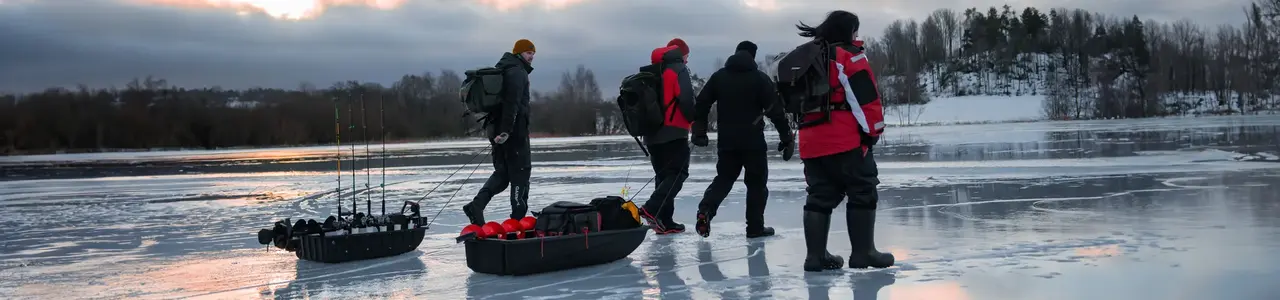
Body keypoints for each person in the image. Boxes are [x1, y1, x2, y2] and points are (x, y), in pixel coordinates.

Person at [792, 11, 894, 271]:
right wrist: (872, 134)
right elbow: (865, 99)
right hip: (844, 140)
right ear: (849, 31)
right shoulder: (847, 56)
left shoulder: (807, 58)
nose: (857, 36)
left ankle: (814, 257)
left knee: (819, 195)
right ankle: (863, 253)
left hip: (810, 141)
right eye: (855, 30)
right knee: (862, 190)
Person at [690, 40, 793, 239]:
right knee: (756, 184)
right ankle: (755, 228)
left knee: (724, 179)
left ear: (736, 52)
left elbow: (702, 103)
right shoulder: (760, 79)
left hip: (727, 141)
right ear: (753, 56)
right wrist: (786, 137)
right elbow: (775, 111)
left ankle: (705, 210)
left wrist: (699, 131)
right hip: (753, 141)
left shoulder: (720, 77)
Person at [462, 39, 536, 226]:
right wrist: (507, 131)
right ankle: (518, 220)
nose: (531, 57)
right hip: (512, 133)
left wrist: (500, 132)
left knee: (503, 174)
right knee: (521, 173)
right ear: (519, 53)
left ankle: (476, 205)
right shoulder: (517, 72)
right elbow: (513, 104)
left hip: (496, 129)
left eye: (533, 53)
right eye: (528, 53)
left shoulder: (502, 68)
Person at [636, 38, 697, 234]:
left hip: (652, 133)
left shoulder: (653, 69)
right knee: (678, 173)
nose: (687, 61)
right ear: (681, 54)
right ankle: (652, 209)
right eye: (686, 56)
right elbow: (686, 99)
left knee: (663, 176)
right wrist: (695, 123)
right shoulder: (677, 69)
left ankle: (664, 220)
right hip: (674, 131)